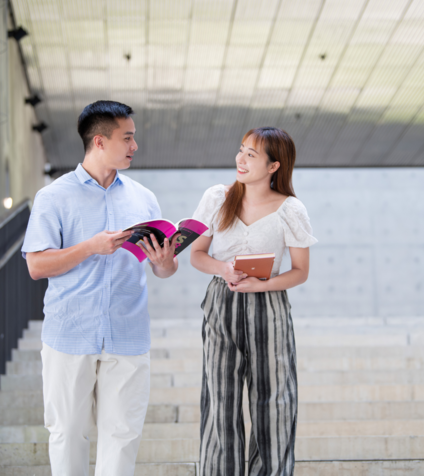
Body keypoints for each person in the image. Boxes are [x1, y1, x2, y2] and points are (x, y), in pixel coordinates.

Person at [22, 100, 179, 476]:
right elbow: (36, 265)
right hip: (69, 334)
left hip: (128, 334)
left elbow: (164, 271)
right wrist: (91, 246)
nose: (134, 147)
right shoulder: (53, 197)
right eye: (127, 138)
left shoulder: (144, 199)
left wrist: (164, 263)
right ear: (99, 142)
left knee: (123, 436)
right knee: (67, 433)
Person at [190, 127, 317, 476]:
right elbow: (197, 255)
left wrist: (262, 286)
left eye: (251, 155)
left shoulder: (291, 209)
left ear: (274, 166)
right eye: (241, 150)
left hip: (269, 306)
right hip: (221, 302)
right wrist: (224, 268)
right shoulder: (218, 197)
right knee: (221, 400)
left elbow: (301, 271)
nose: (240, 159)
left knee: (274, 401)